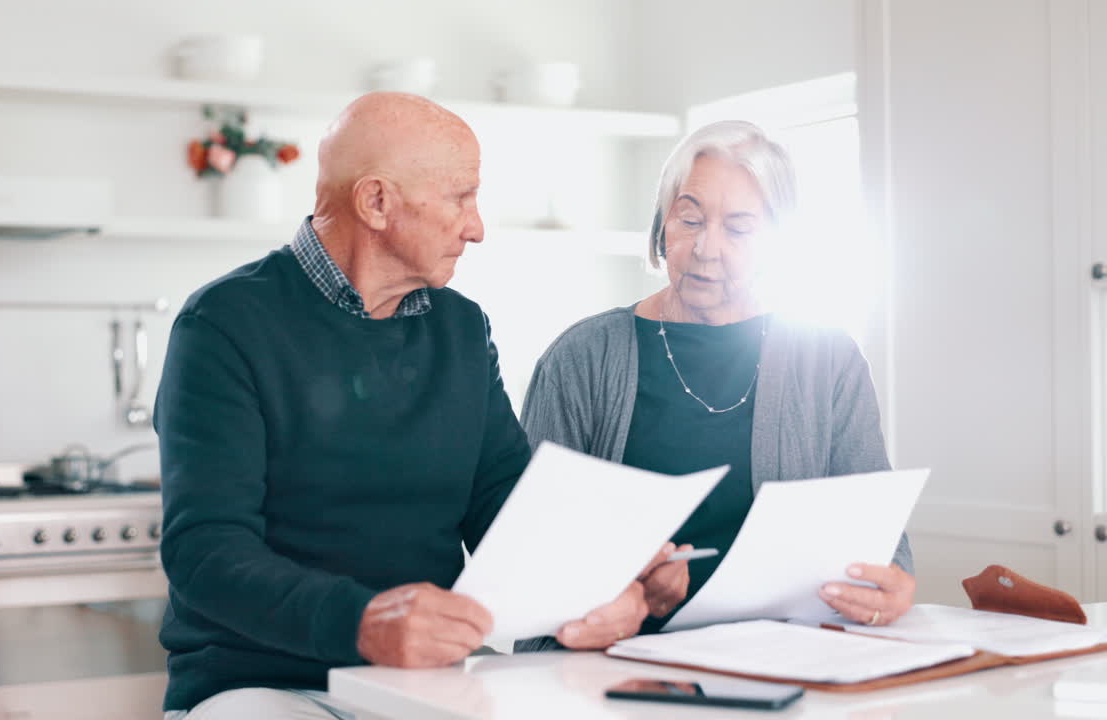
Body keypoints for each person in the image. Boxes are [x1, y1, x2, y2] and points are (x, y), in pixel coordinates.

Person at [153, 92, 649, 720]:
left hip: (423, 685)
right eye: (460, 197)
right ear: (376, 203)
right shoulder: (224, 323)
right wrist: (361, 623)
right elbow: (205, 553)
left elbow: (508, 510)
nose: (476, 227)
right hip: (259, 686)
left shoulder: (461, 328)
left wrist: (600, 586)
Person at [519, 120, 915, 640]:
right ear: (661, 225)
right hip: (614, 666)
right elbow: (528, 554)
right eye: (689, 219)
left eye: (739, 229)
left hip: (783, 662)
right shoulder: (582, 357)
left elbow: (881, 546)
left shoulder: (830, 360)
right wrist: (623, 595)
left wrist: (890, 588)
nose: (706, 248)